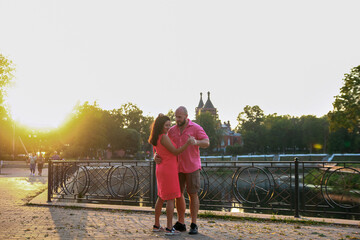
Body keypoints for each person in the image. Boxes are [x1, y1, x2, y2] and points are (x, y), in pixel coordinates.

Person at [155, 106, 209, 235]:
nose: (177, 119)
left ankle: (194, 224)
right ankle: (181, 223)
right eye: (176, 117)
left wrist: (195, 141)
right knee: (178, 195)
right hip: (176, 167)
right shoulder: (171, 130)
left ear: (186, 116)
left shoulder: (195, 127)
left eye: (179, 117)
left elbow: (206, 142)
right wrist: (155, 155)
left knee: (193, 194)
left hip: (192, 166)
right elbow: (161, 145)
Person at [148, 114, 195, 236]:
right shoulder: (163, 137)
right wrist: (188, 143)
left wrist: (155, 156)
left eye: (169, 125)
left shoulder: (155, 137)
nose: (169, 127)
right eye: (166, 125)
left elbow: (156, 152)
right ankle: (169, 228)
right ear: (160, 126)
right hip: (169, 170)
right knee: (171, 198)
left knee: (161, 197)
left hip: (161, 169)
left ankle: (156, 225)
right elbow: (175, 152)